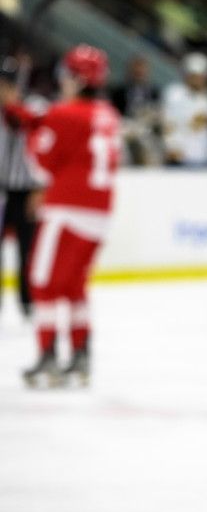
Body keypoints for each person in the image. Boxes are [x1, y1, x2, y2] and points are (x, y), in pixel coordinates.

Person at [1, 45, 121, 385]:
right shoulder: (106, 114)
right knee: (74, 286)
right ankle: (81, 358)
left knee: (42, 284)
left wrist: (30, 130)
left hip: (66, 209)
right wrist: (24, 115)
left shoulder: (64, 113)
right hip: (99, 212)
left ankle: (48, 358)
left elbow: (41, 163)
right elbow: (63, 128)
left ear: (76, 78)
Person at [0, 59, 42, 320]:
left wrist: (40, 188)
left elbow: (44, 147)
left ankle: (28, 301)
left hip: (27, 190)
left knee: (28, 250)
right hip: (1, 188)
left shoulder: (35, 107)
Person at [161, 52, 207, 167]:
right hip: (178, 156)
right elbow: (168, 124)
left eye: (201, 77)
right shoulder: (174, 94)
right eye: (194, 76)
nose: (198, 80)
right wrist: (171, 146)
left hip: (202, 156)